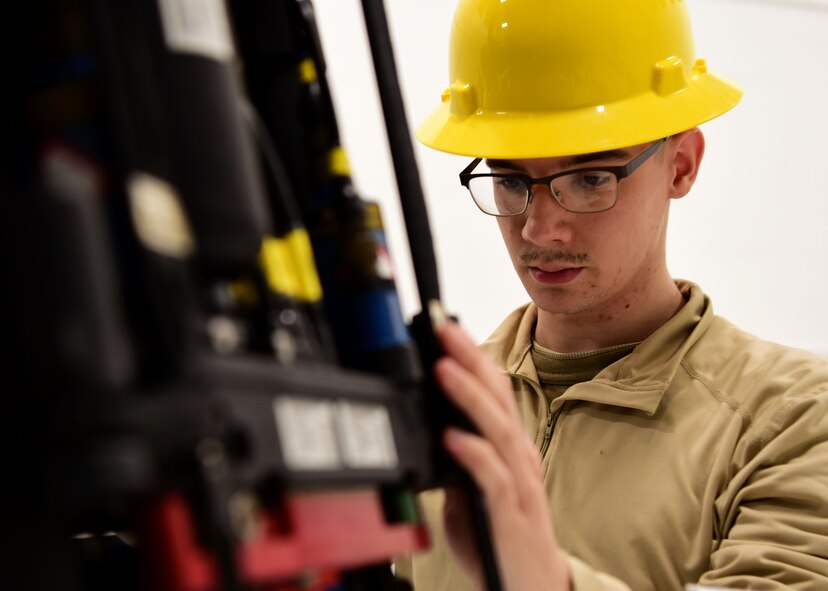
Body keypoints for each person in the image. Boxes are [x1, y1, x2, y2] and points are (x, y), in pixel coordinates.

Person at [394, 0, 828, 589]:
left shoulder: (792, 419)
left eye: (591, 178)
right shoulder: (436, 406)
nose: (539, 230)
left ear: (682, 165)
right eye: (511, 180)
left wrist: (545, 579)